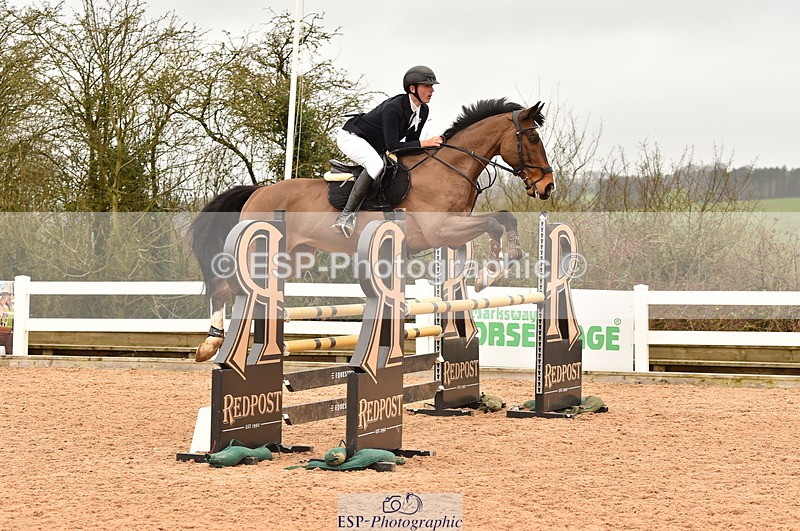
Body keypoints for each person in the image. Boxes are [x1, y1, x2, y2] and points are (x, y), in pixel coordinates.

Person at [333, 65, 444, 237]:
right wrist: (424, 143)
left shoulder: (423, 110)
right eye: (427, 86)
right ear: (413, 88)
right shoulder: (394, 108)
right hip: (352, 137)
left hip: (375, 144)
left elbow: (410, 145)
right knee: (376, 164)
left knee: (396, 166)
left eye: (432, 86)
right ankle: (346, 216)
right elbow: (393, 146)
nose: (432, 90)